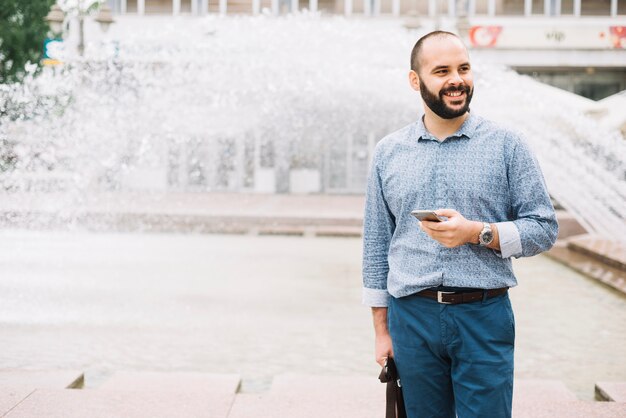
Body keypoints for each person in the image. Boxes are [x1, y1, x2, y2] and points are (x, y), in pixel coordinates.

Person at [362, 31, 558, 418]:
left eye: (464, 68)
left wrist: (479, 233)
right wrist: (381, 330)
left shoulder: (507, 145)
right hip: (411, 318)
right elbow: (376, 245)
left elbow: (544, 228)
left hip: (483, 316)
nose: (457, 79)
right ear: (416, 81)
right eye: (442, 71)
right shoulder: (388, 152)